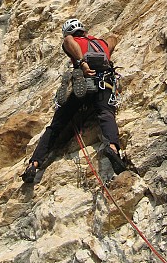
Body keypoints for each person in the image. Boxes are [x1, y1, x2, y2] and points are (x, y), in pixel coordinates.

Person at [22, 18, 126, 183]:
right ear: (84, 31)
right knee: (106, 113)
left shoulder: (71, 40)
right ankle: (113, 148)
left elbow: (68, 41)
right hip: (104, 84)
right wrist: (106, 45)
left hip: (84, 85)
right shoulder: (100, 44)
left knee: (57, 125)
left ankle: (33, 164)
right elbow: (113, 39)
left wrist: (82, 63)